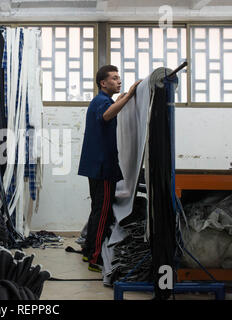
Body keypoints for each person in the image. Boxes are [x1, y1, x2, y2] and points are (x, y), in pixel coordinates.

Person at [78, 65, 142, 272]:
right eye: (114, 78)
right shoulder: (102, 101)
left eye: (119, 78)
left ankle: (89, 251)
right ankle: (95, 258)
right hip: (102, 166)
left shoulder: (103, 101)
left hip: (97, 165)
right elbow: (107, 116)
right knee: (103, 212)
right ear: (103, 83)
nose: (118, 81)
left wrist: (123, 98)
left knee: (98, 209)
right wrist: (129, 95)